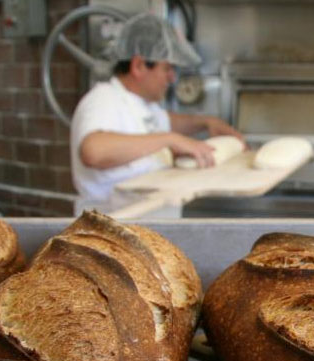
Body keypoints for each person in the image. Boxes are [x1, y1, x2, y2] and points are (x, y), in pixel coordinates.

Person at [70, 12, 244, 214]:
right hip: (112, 229)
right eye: (167, 68)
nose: (172, 78)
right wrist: (169, 139)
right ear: (139, 65)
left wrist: (206, 122)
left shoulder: (142, 104)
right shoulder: (103, 100)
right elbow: (93, 151)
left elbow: (167, 122)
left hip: (147, 226)